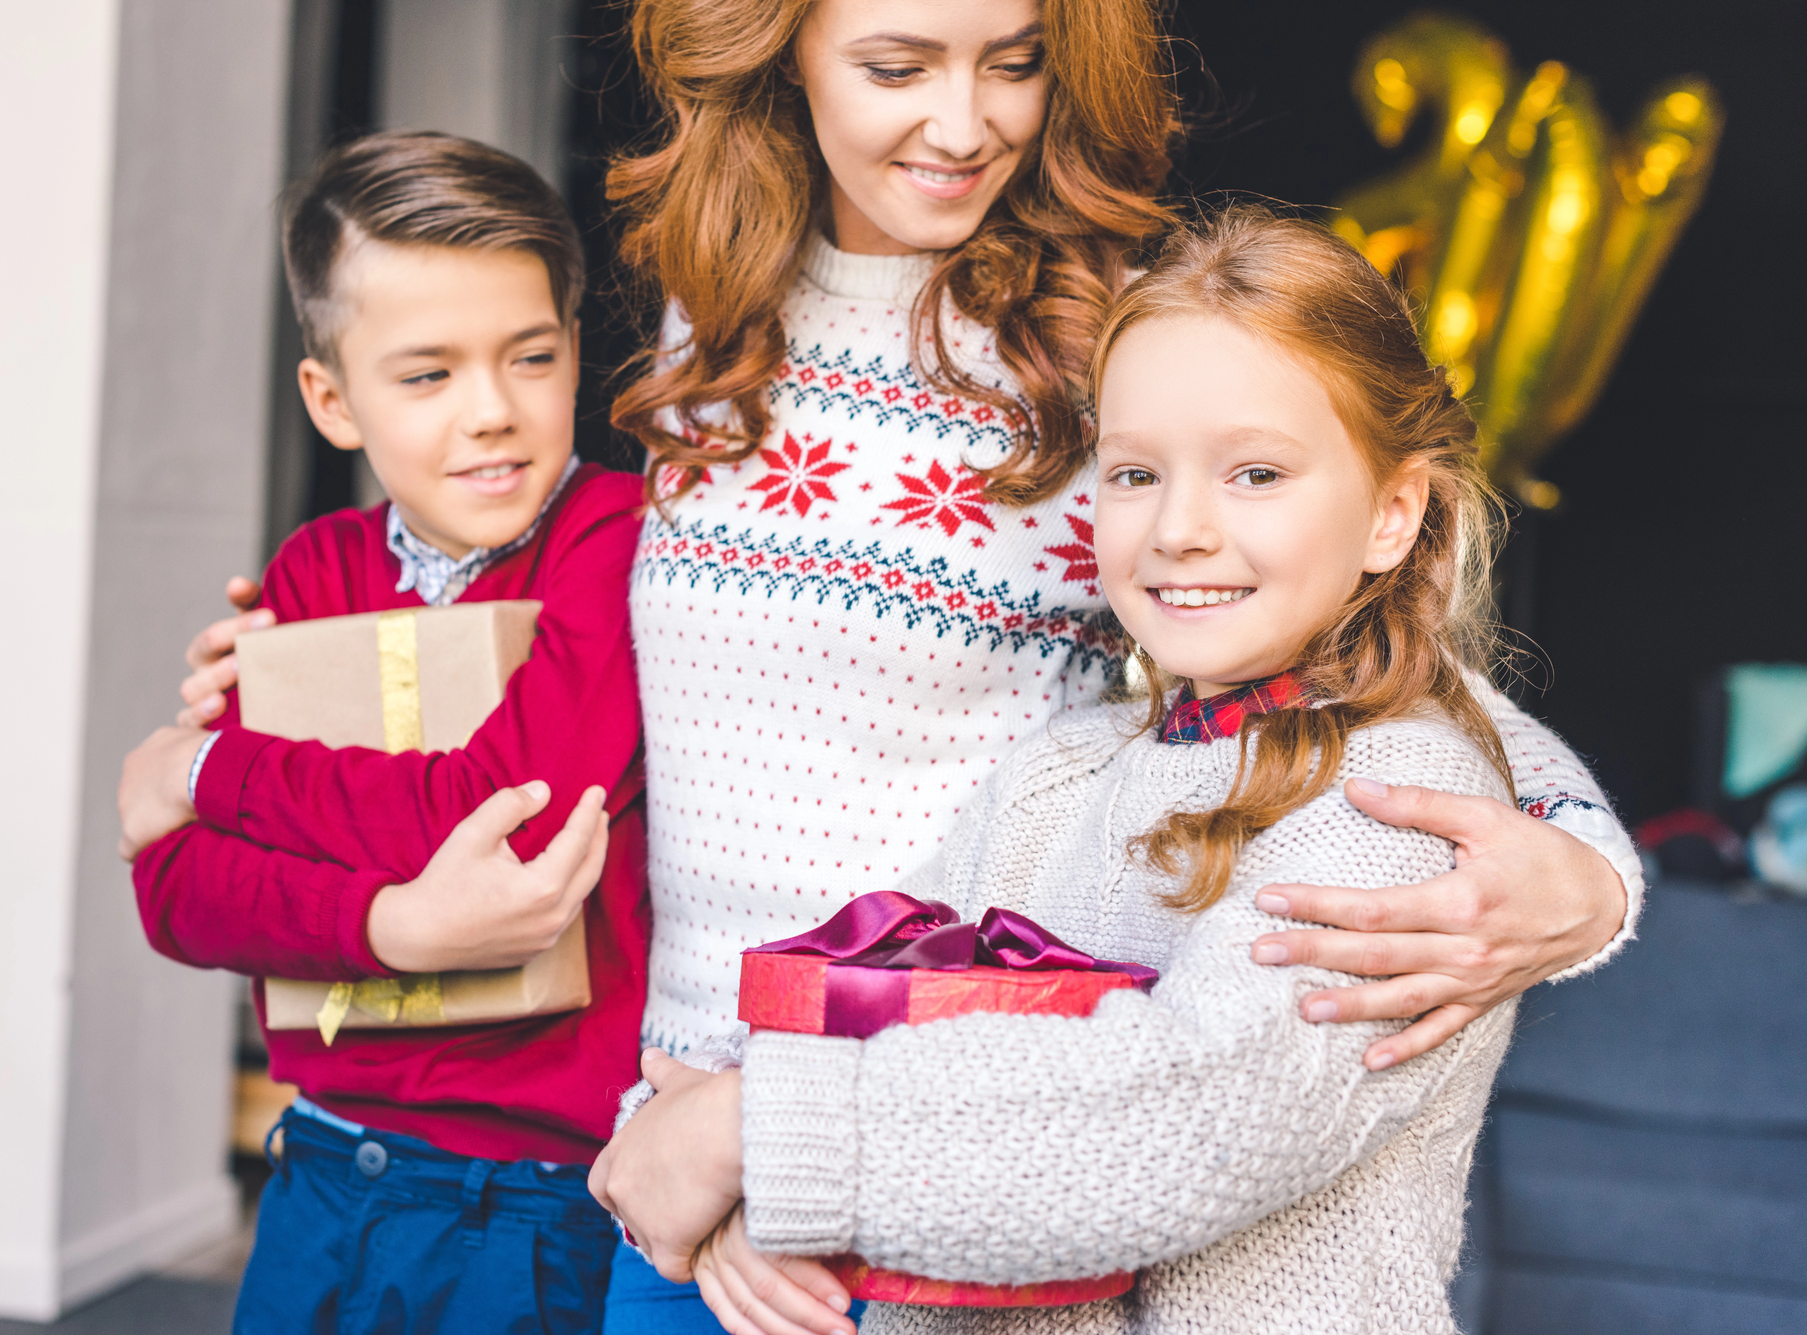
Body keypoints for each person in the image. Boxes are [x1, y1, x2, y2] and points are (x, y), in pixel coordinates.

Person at [176, 0, 1638, 1325]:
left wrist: (1585, 871)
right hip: (669, 1129)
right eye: (897, 66)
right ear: (781, 53)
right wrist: (263, 693)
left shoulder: (1104, 341)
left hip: (942, 1158)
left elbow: (1383, 667)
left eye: (1015, 63)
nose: (965, 122)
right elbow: (571, 643)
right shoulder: (707, 321)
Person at [596, 207, 1549, 1335]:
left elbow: (1182, 1122)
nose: (1179, 528)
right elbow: (854, 1003)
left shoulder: (1393, 807)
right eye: (1134, 472)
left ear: (1393, 514)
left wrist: (746, 1140)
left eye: (1253, 473)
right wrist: (693, 1148)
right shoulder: (1062, 769)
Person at [116, 132, 647, 1334]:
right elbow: (180, 893)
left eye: (531, 356)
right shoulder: (315, 571)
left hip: (533, 1203)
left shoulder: (611, 546)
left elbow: (503, 810)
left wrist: (206, 770)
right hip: (319, 1172)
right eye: (427, 375)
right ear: (331, 400)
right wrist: (389, 920)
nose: (493, 413)